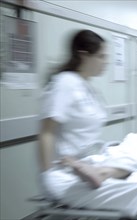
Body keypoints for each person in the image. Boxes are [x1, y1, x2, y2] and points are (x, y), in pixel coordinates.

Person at [38, 29, 108, 173]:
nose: (105, 62)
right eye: (101, 56)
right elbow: (47, 132)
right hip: (66, 171)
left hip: (87, 166)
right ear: (84, 56)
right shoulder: (65, 83)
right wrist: (47, 175)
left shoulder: (86, 86)